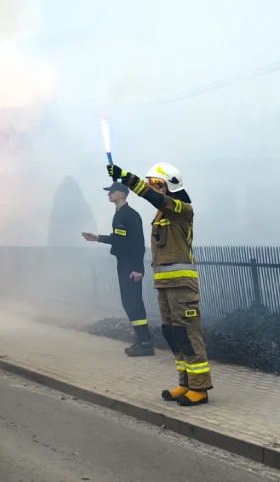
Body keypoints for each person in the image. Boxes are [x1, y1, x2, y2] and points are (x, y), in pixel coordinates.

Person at [108, 161, 211, 406]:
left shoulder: (181, 208)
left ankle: (200, 388)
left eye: (156, 183)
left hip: (182, 285)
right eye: (151, 183)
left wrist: (127, 178)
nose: (154, 188)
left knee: (188, 334)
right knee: (173, 334)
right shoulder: (162, 214)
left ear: (170, 185)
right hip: (164, 284)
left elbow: (155, 199)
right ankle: (184, 383)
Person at [82, 182, 153, 356]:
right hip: (123, 263)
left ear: (121, 194)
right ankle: (142, 340)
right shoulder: (120, 214)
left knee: (133, 301)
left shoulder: (131, 215)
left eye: (111, 192)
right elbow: (119, 238)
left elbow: (137, 243)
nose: (108, 195)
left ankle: (145, 343)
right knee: (128, 302)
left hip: (131, 264)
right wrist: (98, 238)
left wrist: (138, 269)